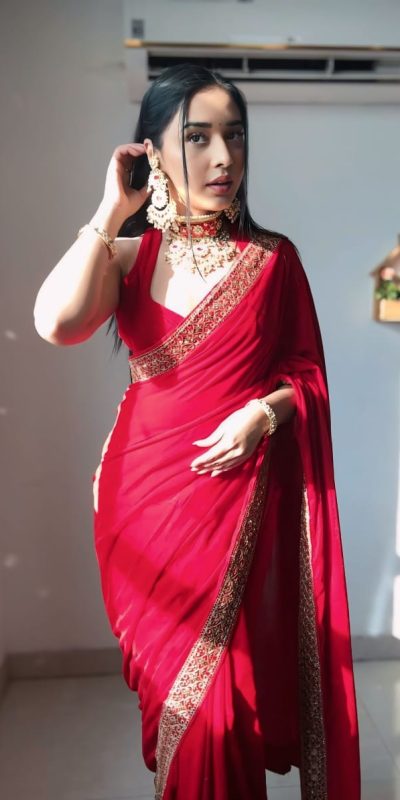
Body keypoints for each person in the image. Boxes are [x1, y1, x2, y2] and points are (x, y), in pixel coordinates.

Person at [33, 64, 361, 800]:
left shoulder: (273, 261)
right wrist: (109, 210)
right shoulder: (126, 254)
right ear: (152, 152)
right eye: (198, 138)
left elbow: (307, 376)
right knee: (178, 699)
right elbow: (55, 323)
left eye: (235, 136)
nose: (223, 158)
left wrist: (264, 413)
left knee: (224, 706)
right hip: (141, 506)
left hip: (234, 503)